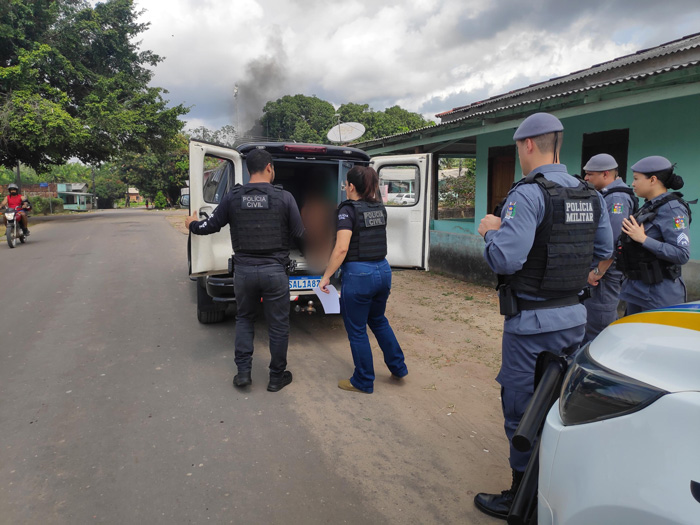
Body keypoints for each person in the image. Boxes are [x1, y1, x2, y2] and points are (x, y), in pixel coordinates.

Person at [475, 113, 613, 519]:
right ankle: (555, 484)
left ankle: (522, 497)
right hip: (574, 317)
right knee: (560, 405)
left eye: (518, 148)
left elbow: (506, 257)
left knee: (521, 408)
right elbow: (604, 249)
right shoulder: (590, 194)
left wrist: (490, 231)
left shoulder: (528, 195)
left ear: (529, 145)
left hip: (531, 324)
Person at [185, 149, 305, 392]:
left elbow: (209, 226)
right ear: (270, 168)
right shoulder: (285, 197)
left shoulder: (233, 197)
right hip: (275, 272)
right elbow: (300, 233)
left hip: (244, 272)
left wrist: (192, 224)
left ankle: (243, 374)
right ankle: (276, 377)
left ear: (249, 169)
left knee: (245, 319)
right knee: (278, 325)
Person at [318, 166, 408, 394]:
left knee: (357, 329)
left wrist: (326, 276)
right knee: (378, 320)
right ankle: (398, 367)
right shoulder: (379, 207)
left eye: (345, 185)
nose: (345, 188)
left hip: (360, 276)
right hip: (383, 271)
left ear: (351, 186)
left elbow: (341, 248)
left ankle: (363, 380)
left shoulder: (346, 211)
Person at [617, 155, 691, 314]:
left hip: (660, 295)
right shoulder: (649, 207)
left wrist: (643, 239)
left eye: (636, 178)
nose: (633, 183)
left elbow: (681, 254)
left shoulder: (672, 209)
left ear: (653, 180)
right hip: (637, 291)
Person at [581, 153, 638, 343]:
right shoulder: (606, 195)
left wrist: (597, 272)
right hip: (601, 273)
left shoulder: (617, 199)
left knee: (598, 324)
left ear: (606, 174)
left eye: (590, 174)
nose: (586, 178)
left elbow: (613, 243)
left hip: (605, 275)